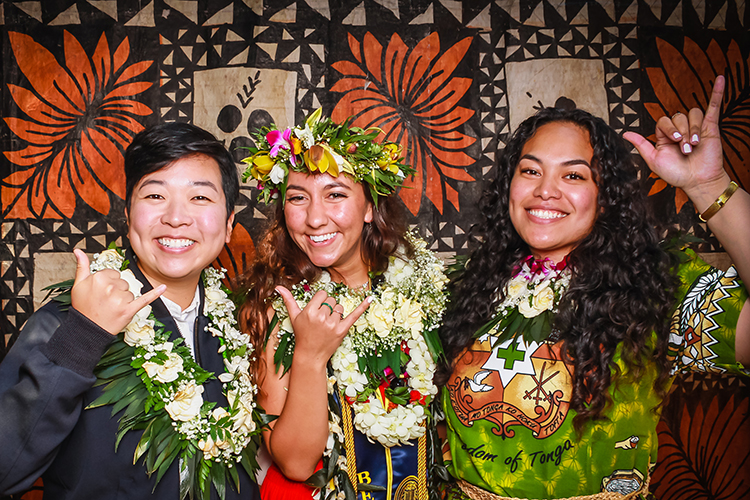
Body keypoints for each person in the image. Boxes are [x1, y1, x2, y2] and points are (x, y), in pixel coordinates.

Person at [437, 75, 748, 499]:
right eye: (530, 171)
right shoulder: (467, 288)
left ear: (606, 196)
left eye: (574, 176)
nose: (545, 191)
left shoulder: (658, 287)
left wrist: (707, 186)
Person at [0, 123, 262, 500]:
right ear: (128, 214)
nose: (176, 217)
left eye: (200, 199)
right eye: (155, 195)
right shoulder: (68, 320)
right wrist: (83, 337)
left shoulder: (238, 326)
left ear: (228, 225)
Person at [238, 110, 447, 500]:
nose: (315, 218)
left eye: (335, 194)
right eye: (298, 198)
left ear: (370, 206)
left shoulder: (424, 289)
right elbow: (296, 464)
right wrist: (311, 355)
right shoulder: (278, 306)